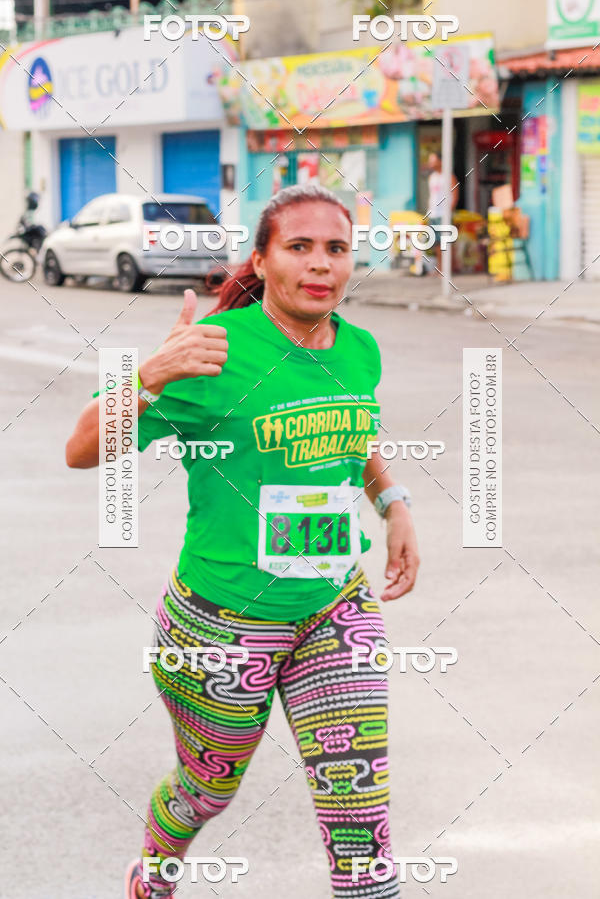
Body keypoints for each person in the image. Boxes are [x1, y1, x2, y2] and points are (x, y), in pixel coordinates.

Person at [65, 184, 420, 898]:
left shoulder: (360, 348)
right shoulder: (214, 355)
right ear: (260, 262)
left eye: (336, 249)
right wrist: (151, 374)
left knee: (361, 811)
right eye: (299, 248)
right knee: (206, 790)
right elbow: (80, 449)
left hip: (332, 608)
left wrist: (392, 502)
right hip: (223, 625)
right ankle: (155, 871)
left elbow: (355, 427)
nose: (320, 265)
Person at [426, 152, 459, 274]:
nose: (430, 163)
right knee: (437, 243)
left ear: (440, 161)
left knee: (447, 242)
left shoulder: (449, 177)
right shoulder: (432, 177)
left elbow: (455, 196)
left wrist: (449, 211)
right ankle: (440, 268)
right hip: (433, 214)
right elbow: (432, 196)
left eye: (433, 160)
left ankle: (450, 268)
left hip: (444, 214)